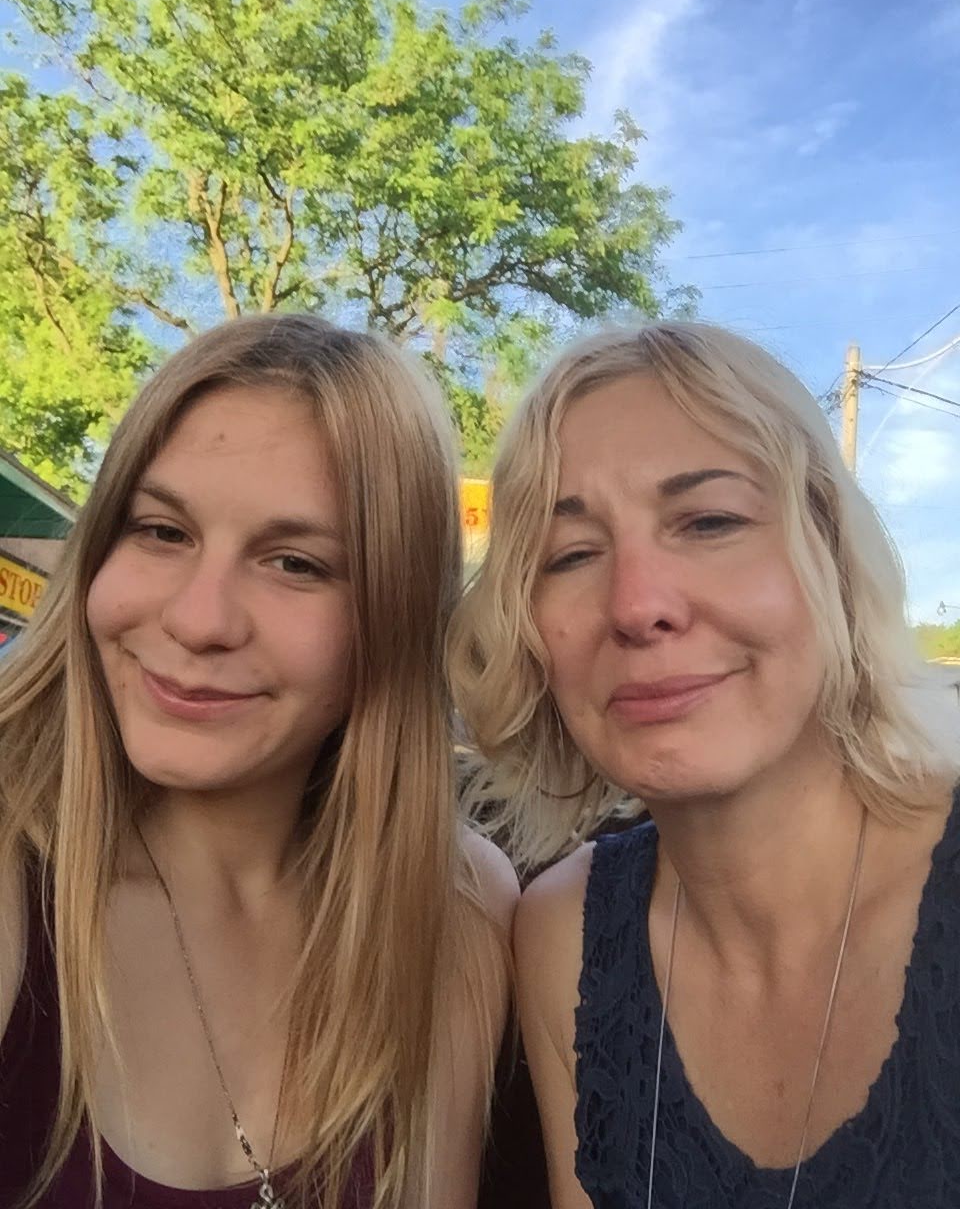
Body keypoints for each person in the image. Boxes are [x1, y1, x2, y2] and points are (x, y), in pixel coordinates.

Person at [0, 314, 516, 1209]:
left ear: (394, 620)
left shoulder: (458, 913)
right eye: (162, 531)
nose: (200, 620)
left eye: (295, 563)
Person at [449, 322, 960, 1209]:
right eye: (570, 555)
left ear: (830, 557)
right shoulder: (566, 932)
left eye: (710, 521)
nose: (637, 604)